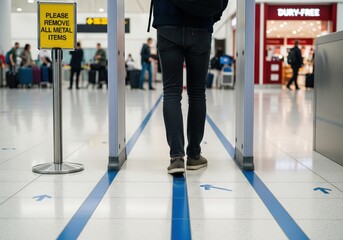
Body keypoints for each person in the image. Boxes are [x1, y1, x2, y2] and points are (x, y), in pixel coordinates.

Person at [152, 0, 228, 174]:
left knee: (171, 92)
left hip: (167, 22)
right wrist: (211, 14)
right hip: (201, 24)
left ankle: (176, 158)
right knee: (197, 93)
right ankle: (194, 155)